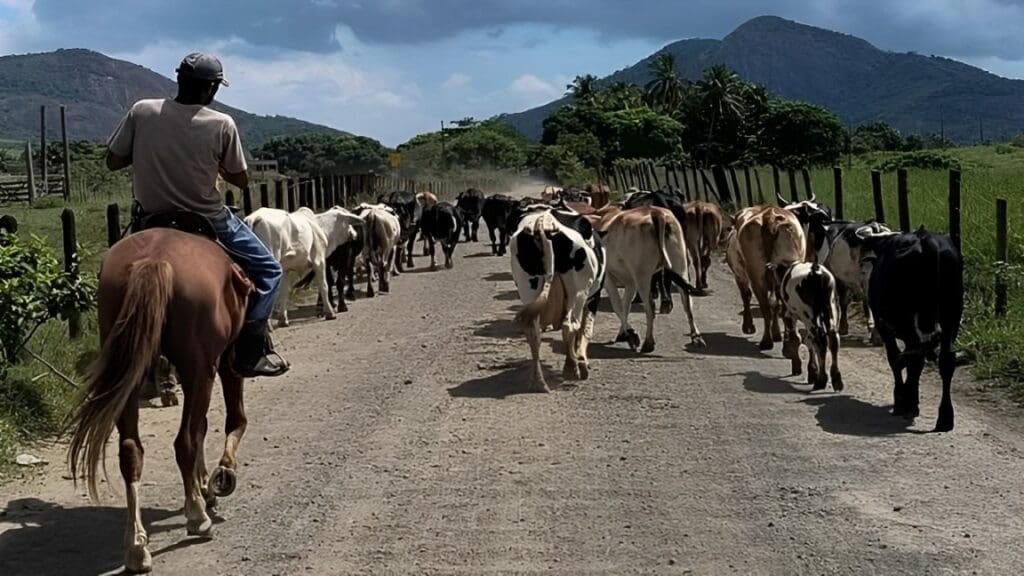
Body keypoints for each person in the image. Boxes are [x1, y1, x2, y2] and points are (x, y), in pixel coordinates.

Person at [104, 52, 289, 378]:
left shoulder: (142, 111)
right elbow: (241, 179)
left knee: (110, 268)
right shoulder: (221, 124)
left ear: (178, 80)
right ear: (211, 90)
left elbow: (113, 161)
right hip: (208, 220)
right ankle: (250, 350)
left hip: (151, 218)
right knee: (270, 271)